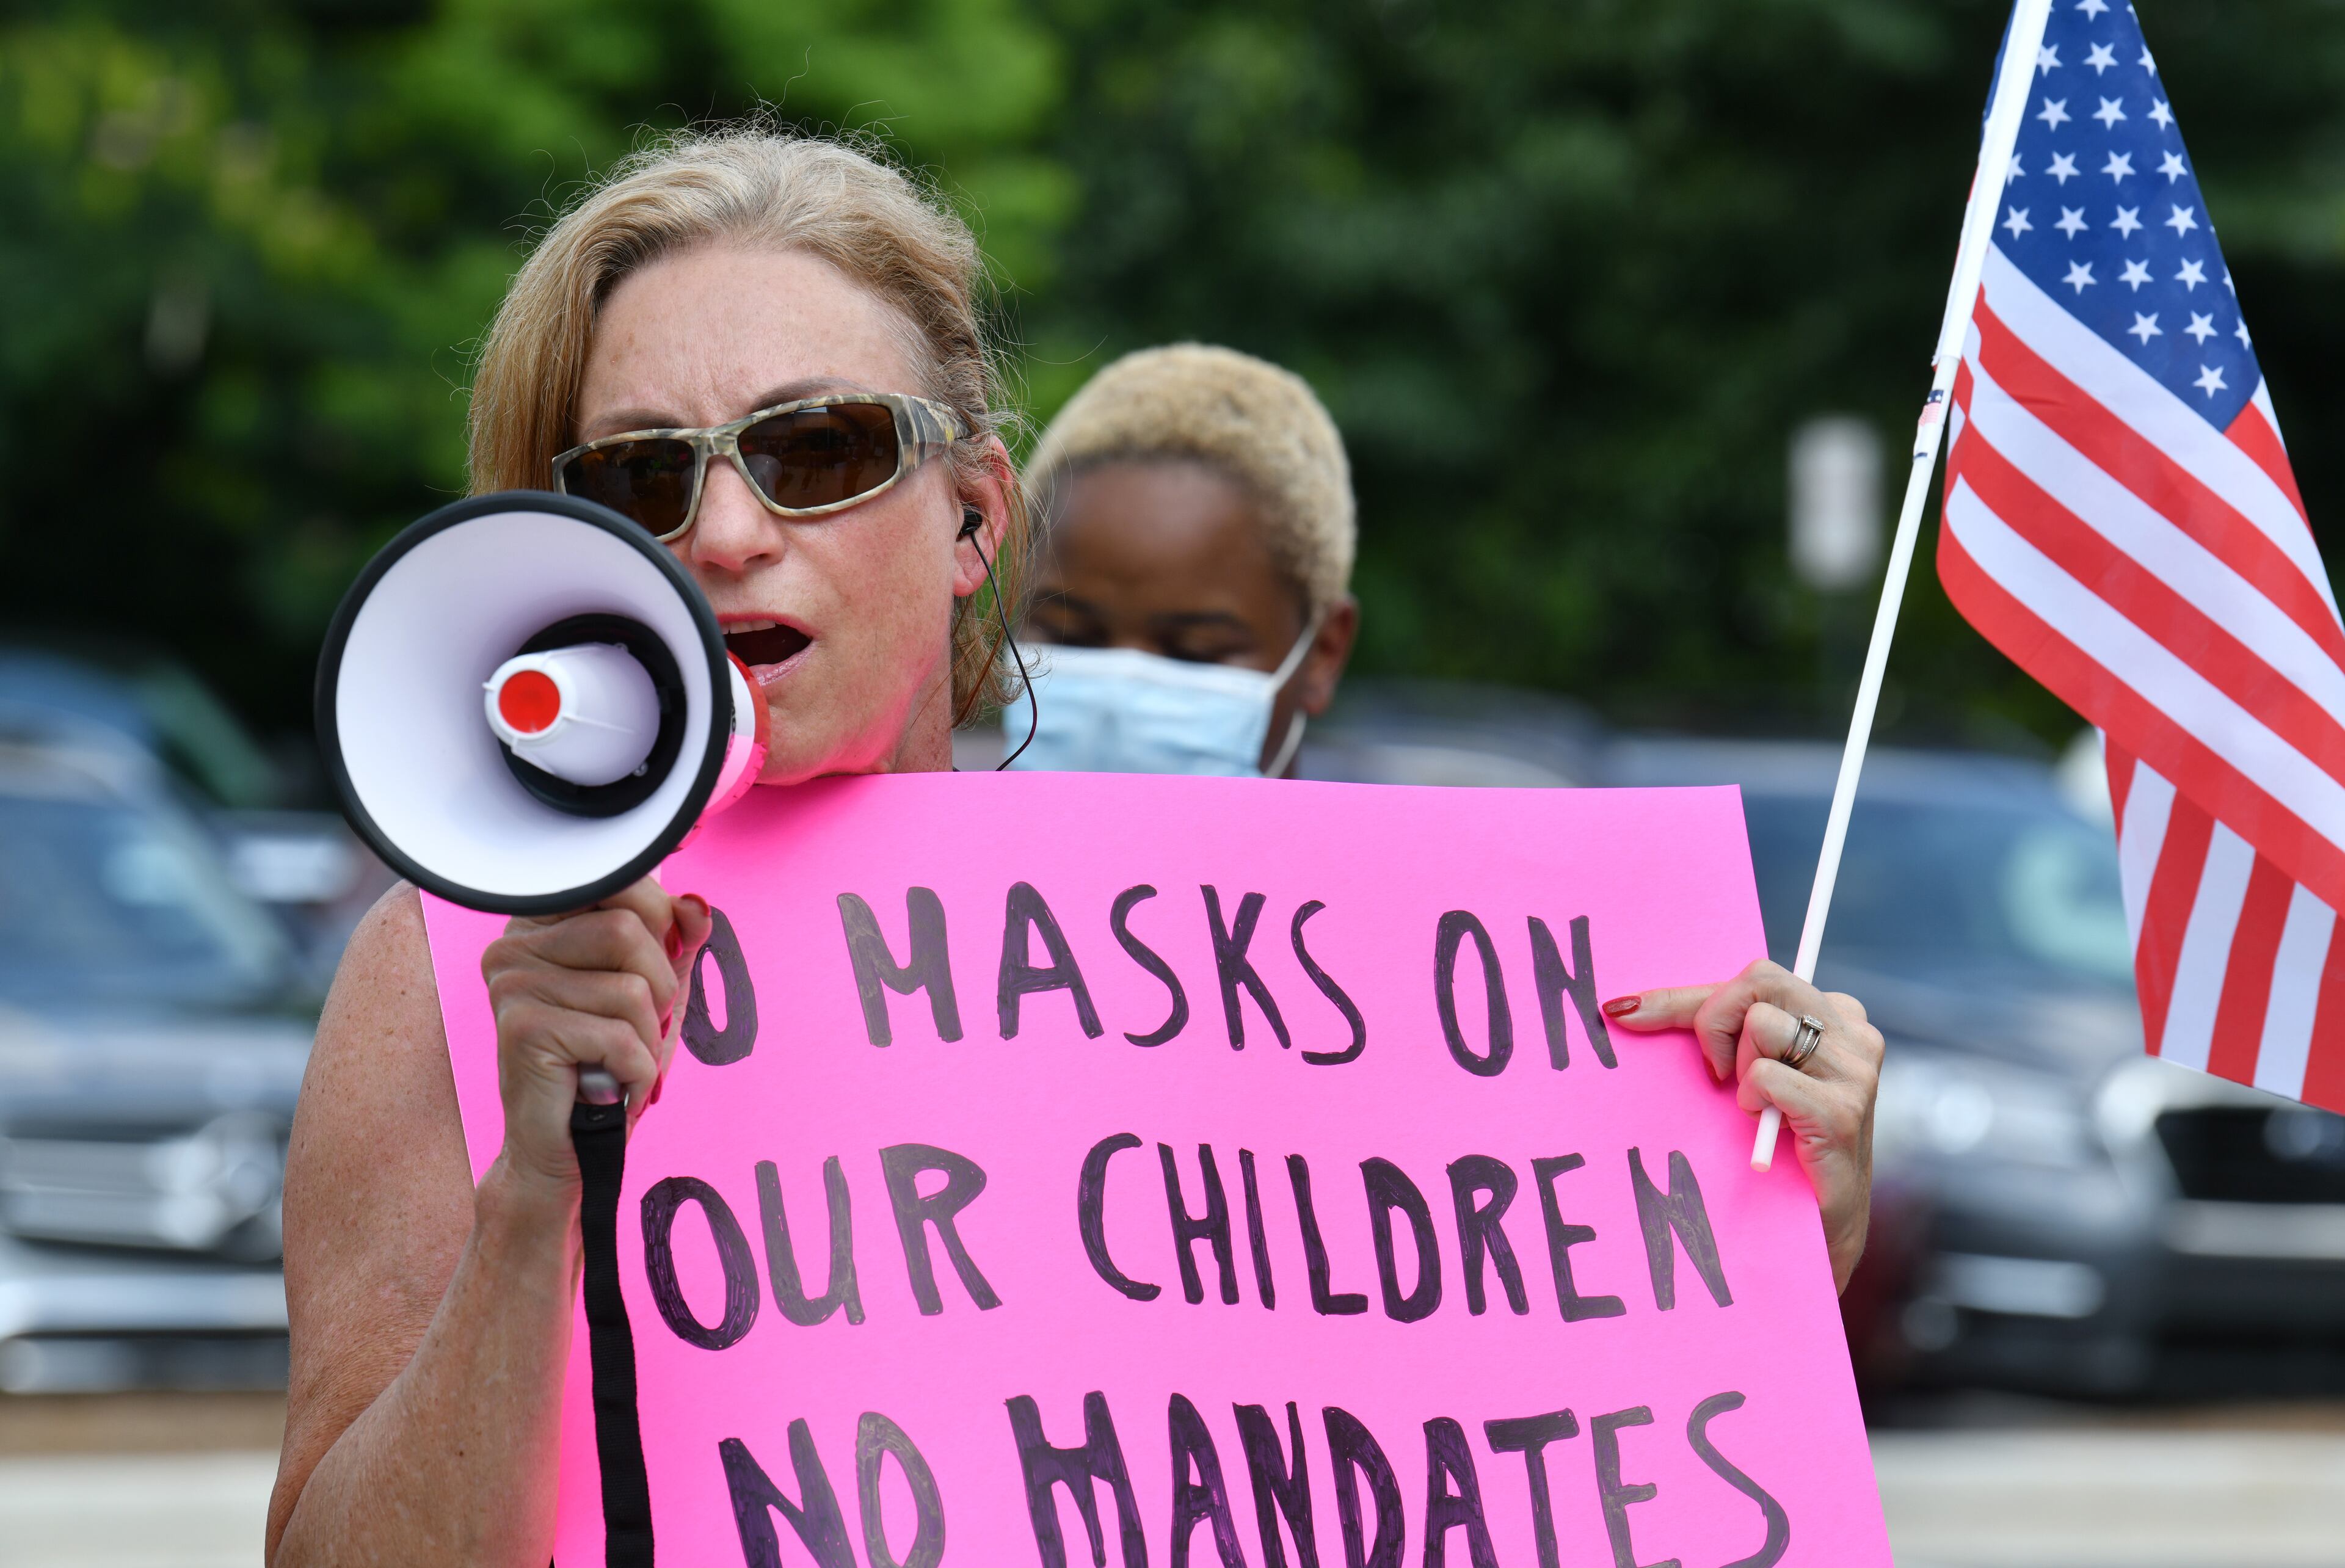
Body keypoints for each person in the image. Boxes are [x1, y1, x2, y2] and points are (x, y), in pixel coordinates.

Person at [264, 126, 1883, 1566]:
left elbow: (1479, 1463)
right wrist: (537, 1196)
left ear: (974, 518)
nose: (729, 531)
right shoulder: (457, 963)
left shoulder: (1207, 952)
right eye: (644, 472)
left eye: (816, 450)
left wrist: (1750, 1241)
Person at [1012, 344, 1358, 777]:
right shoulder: (933, 839)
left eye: (1194, 653)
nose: (1119, 699)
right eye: (1072, 637)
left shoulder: (1421, 847)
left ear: (1324, 653)